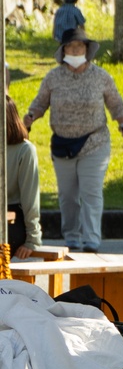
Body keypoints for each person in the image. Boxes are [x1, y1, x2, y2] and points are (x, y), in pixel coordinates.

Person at [23, 27, 123, 252]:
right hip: (62, 144)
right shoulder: (53, 77)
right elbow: (40, 103)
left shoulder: (100, 76)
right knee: (68, 197)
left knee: (91, 192)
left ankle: (91, 241)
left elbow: (116, 103)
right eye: (70, 47)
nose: (75, 50)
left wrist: (122, 123)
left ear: (87, 49)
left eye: (79, 46)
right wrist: (30, 118)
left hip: (94, 142)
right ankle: (71, 238)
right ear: (63, 51)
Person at [5, 93, 41, 259]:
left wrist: (32, 238)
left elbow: (30, 199)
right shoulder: (25, 150)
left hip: (11, 222)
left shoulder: (25, 150)